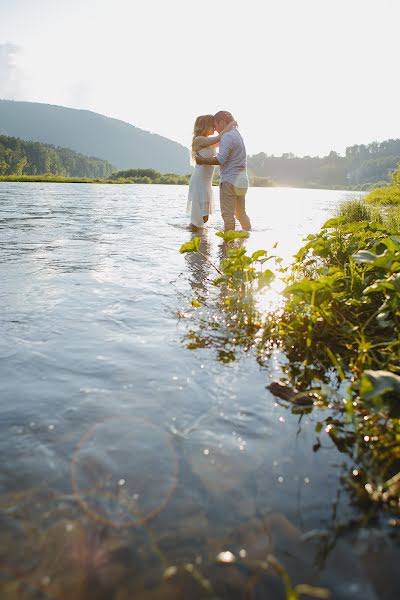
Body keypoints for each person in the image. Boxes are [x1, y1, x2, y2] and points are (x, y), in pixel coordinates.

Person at [195, 110, 251, 232]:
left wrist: (202, 160)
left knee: (227, 215)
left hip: (229, 181)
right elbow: (215, 142)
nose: (215, 128)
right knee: (241, 213)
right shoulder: (236, 134)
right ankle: (247, 237)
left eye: (216, 125)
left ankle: (228, 245)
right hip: (242, 181)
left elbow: (220, 160)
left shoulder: (227, 136)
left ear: (222, 122)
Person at [187, 114, 236, 229]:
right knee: (201, 216)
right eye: (212, 125)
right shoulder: (199, 139)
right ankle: (197, 237)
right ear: (204, 125)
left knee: (203, 217)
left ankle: (198, 234)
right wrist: (231, 124)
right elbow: (219, 138)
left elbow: (222, 141)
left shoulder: (207, 141)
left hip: (206, 181)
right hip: (200, 180)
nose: (214, 127)